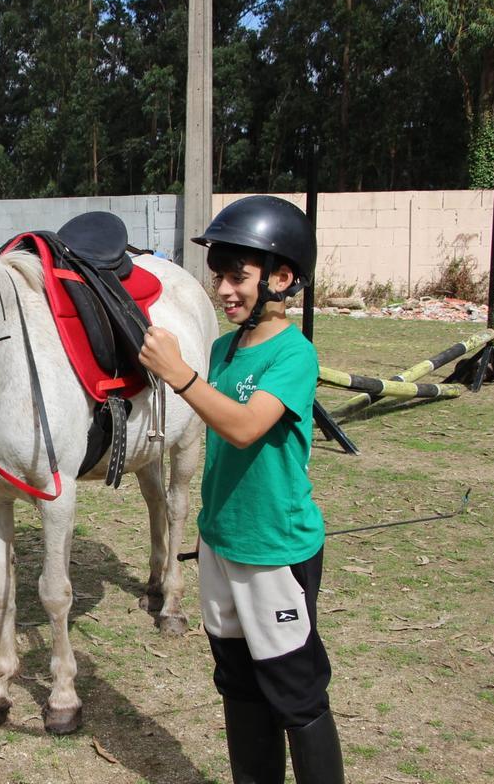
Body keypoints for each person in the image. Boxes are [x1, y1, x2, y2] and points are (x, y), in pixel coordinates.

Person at [138, 195, 344, 783]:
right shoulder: (225, 349)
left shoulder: (294, 354)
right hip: (220, 543)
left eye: (238, 277)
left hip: (273, 549)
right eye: (219, 277)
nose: (224, 290)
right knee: (238, 684)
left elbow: (245, 425)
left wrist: (180, 373)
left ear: (283, 278)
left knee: (294, 691)